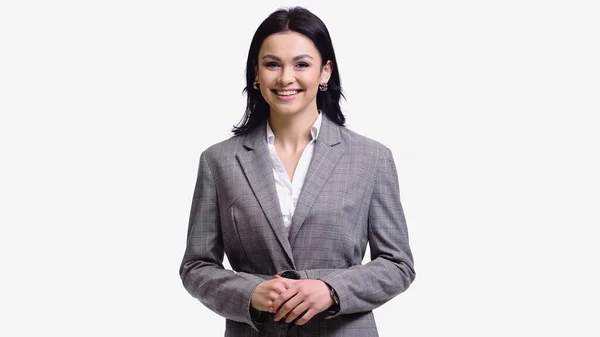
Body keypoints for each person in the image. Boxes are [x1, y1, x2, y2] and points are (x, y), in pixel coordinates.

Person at [179, 6, 415, 337]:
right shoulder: (218, 160)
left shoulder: (372, 158)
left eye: (301, 64)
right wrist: (250, 293)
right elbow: (196, 266)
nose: (286, 77)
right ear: (256, 73)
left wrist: (331, 290)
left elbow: (397, 265)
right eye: (272, 64)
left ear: (325, 72)